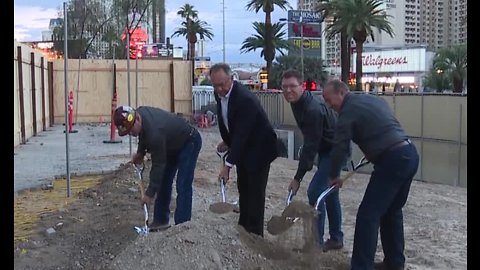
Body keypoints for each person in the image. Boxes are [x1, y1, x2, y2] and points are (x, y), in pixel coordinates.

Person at [322, 80, 419, 270]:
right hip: (409, 153)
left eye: (328, 99)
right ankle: (394, 263)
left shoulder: (346, 113)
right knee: (391, 212)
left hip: (392, 161)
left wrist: (334, 176)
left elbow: (340, 146)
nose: (328, 104)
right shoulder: (372, 100)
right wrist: (375, 147)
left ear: (341, 93)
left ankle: (361, 266)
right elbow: (383, 123)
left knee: (368, 215)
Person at [209, 63, 278, 237]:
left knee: (255, 191)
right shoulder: (219, 94)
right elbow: (228, 120)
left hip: (260, 148)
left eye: (222, 84)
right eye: (215, 85)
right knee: (243, 187)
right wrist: (227, 141)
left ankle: (255, 235)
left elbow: (242, 135)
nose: (219, 89)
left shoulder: (244, 99)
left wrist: (227, 166)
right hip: (244, 146)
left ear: (232, 79)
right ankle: (244, 227)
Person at [280, 69, 344, 251]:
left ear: (302, 86)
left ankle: (315, 243)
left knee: (316, 192)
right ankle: (336, 238)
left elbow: (310, 146)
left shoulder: (312, 110)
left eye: (292, 86)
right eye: (284, 87)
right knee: (329, 193)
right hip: (327, 149)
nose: (288, 91)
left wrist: (297, 178)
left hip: (335, 150)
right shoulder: (298, 102)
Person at [113, 105, 202, 230]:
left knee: (183, 183)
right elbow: (143, 135)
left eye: (131, 131)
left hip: (189, 141)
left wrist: (149, 194)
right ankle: (160, 220)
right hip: (170, 144)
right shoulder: (140, 114)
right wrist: (140, 153)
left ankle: (182, 226)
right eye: (128, 133)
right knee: (164, 181)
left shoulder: (155, 132)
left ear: (137, 119)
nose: (132, 134)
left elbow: (158, 165)